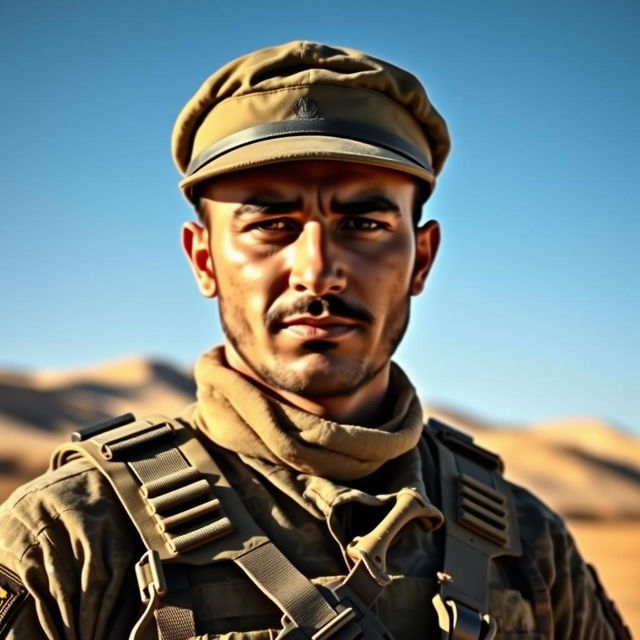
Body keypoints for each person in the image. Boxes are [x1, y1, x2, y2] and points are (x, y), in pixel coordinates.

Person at [0, 41, 630, 640]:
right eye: (271, 224)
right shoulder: (71, 536)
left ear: (422, 259)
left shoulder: (526, 539)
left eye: (364, 223)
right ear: (203, 259)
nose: (318, 269)